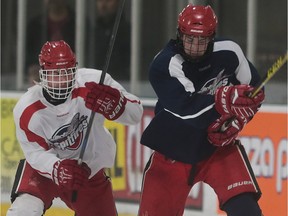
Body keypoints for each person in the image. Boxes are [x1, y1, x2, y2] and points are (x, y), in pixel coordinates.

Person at [138, 4, 265, 216]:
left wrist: (238, 121)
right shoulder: (164, 65)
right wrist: (223, 99)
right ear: (179, 35)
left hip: (218, 150)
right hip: (173, 154)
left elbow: (254, 94)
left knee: (248, 212)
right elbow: (187, 111)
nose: (195, 46)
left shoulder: (230, 52)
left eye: (202, 40)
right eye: (190, 39)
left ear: (212, 38)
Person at [7, 40, 143, 216]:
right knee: (24, 210)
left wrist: (118, 106)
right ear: (43, 73)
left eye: (67, 73)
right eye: (55, 74)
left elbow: (136, 113)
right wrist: (57, 168)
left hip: (87, 171)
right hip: (45, 171)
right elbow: (35, 153)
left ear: (75, 69)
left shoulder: (95, 82)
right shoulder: (27, 109)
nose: (62, 80)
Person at [26, 0, 76, 83]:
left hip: (70, 79)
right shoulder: (34, 25)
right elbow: (28, 56)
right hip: (43, 79)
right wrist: (34, 70)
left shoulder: (79, 23)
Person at [88, 0, 131, 80]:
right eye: (100, 0)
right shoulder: (92, 31)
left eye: (108, 0)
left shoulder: (128, 32)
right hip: (94, 80)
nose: (103, 5)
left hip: (121, 82)